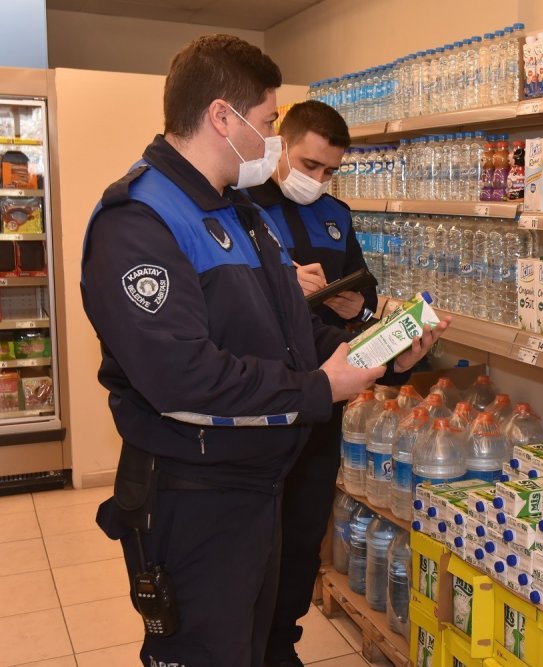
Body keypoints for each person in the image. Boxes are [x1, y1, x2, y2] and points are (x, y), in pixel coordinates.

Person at [80, 35, 447, 667]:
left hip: (258, 487)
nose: (271, 139)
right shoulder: (138, 221)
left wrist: (382, 359)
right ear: (222, 118)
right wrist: (317, 389)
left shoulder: (242, 213)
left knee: (259, 643)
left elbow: (293, 335)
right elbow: (182, 378)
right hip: (192, 494)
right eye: (269, 121)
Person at [245, 101, 376, 667]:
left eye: (329, 170)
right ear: (281, 144)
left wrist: (357, 303)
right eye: (309, 164)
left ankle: (281, 646)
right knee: (254, 541)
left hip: (325, 391)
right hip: (265, 396)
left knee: (302, 537)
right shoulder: (240, 206)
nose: (317, 179)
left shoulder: (336, 214)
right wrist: (279, 281)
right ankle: (244, 645)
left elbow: (363, 282)